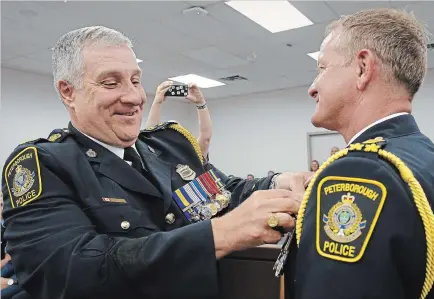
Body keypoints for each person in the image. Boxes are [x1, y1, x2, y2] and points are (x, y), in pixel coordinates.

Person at [1, 26, 310, 299]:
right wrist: (220, 234)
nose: (134, 97)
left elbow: (221, 193)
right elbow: (69, 273)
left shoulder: (168, 144)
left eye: (136, 81)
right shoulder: (41, 165)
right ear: (68, 92)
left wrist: (278, 183)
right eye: (111, 83)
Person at [284, 8, 434, 299]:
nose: (312, 88)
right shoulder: (430, 158)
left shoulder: (357, 173)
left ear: (362, 68)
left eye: (322, 68)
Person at [146, 81, 213, 161]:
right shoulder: (193, 154)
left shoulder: (159, 157)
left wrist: (157, 103)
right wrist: (200, 103)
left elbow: (151, 134)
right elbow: (150, 134)